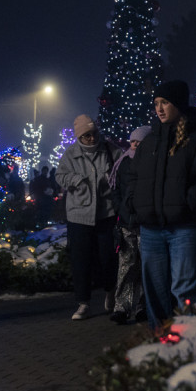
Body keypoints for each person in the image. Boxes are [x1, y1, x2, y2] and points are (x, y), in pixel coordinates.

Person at [123, 80, 196, 330]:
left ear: (178, 104)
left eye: (165, 103)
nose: (159, 108)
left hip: (184, 228)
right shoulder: (149, 143)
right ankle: (162, 342)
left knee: (185, 287)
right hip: (151, 230)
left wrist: (188, 202)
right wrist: (134, 206)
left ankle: (192, 340)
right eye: (156, 103)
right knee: (155, 291)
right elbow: (133, 177)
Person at [55, 115, 121, 320]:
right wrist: (76, 180)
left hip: (106, 213)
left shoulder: (110, 150)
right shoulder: (71, 154)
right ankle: (83, 303)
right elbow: (60, 175)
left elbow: (124, 168)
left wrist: (111, 181)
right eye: (86, 135)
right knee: (81, 260)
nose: (91, 139)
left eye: (93, 134)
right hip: (79, 215)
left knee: (108, 257)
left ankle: (111, 290)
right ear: (79, 137)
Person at [107, 125, 151, 324]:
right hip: (126, 222)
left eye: (138, 142)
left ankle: (143, 306)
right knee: (126, 265)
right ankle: (121, 307)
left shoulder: (151, 162)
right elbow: (115, 190)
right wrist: (120, 208)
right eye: (132, 141)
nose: (134, 145)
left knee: (145, 266)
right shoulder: (123, 163)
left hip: (145, 222)